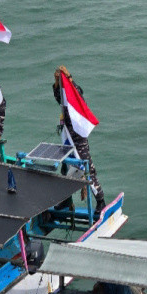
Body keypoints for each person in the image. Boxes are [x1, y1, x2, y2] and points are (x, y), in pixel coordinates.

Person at [53, 66, 106, 211]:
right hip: (68, 137)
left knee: (87, 169)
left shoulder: (77, 98)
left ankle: (100, 201)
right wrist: (57, 81)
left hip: (78, 138)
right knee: (66, 168)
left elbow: (74, 92)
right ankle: (66, 200)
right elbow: (59, 97)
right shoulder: (66, 100)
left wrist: (69, 78)